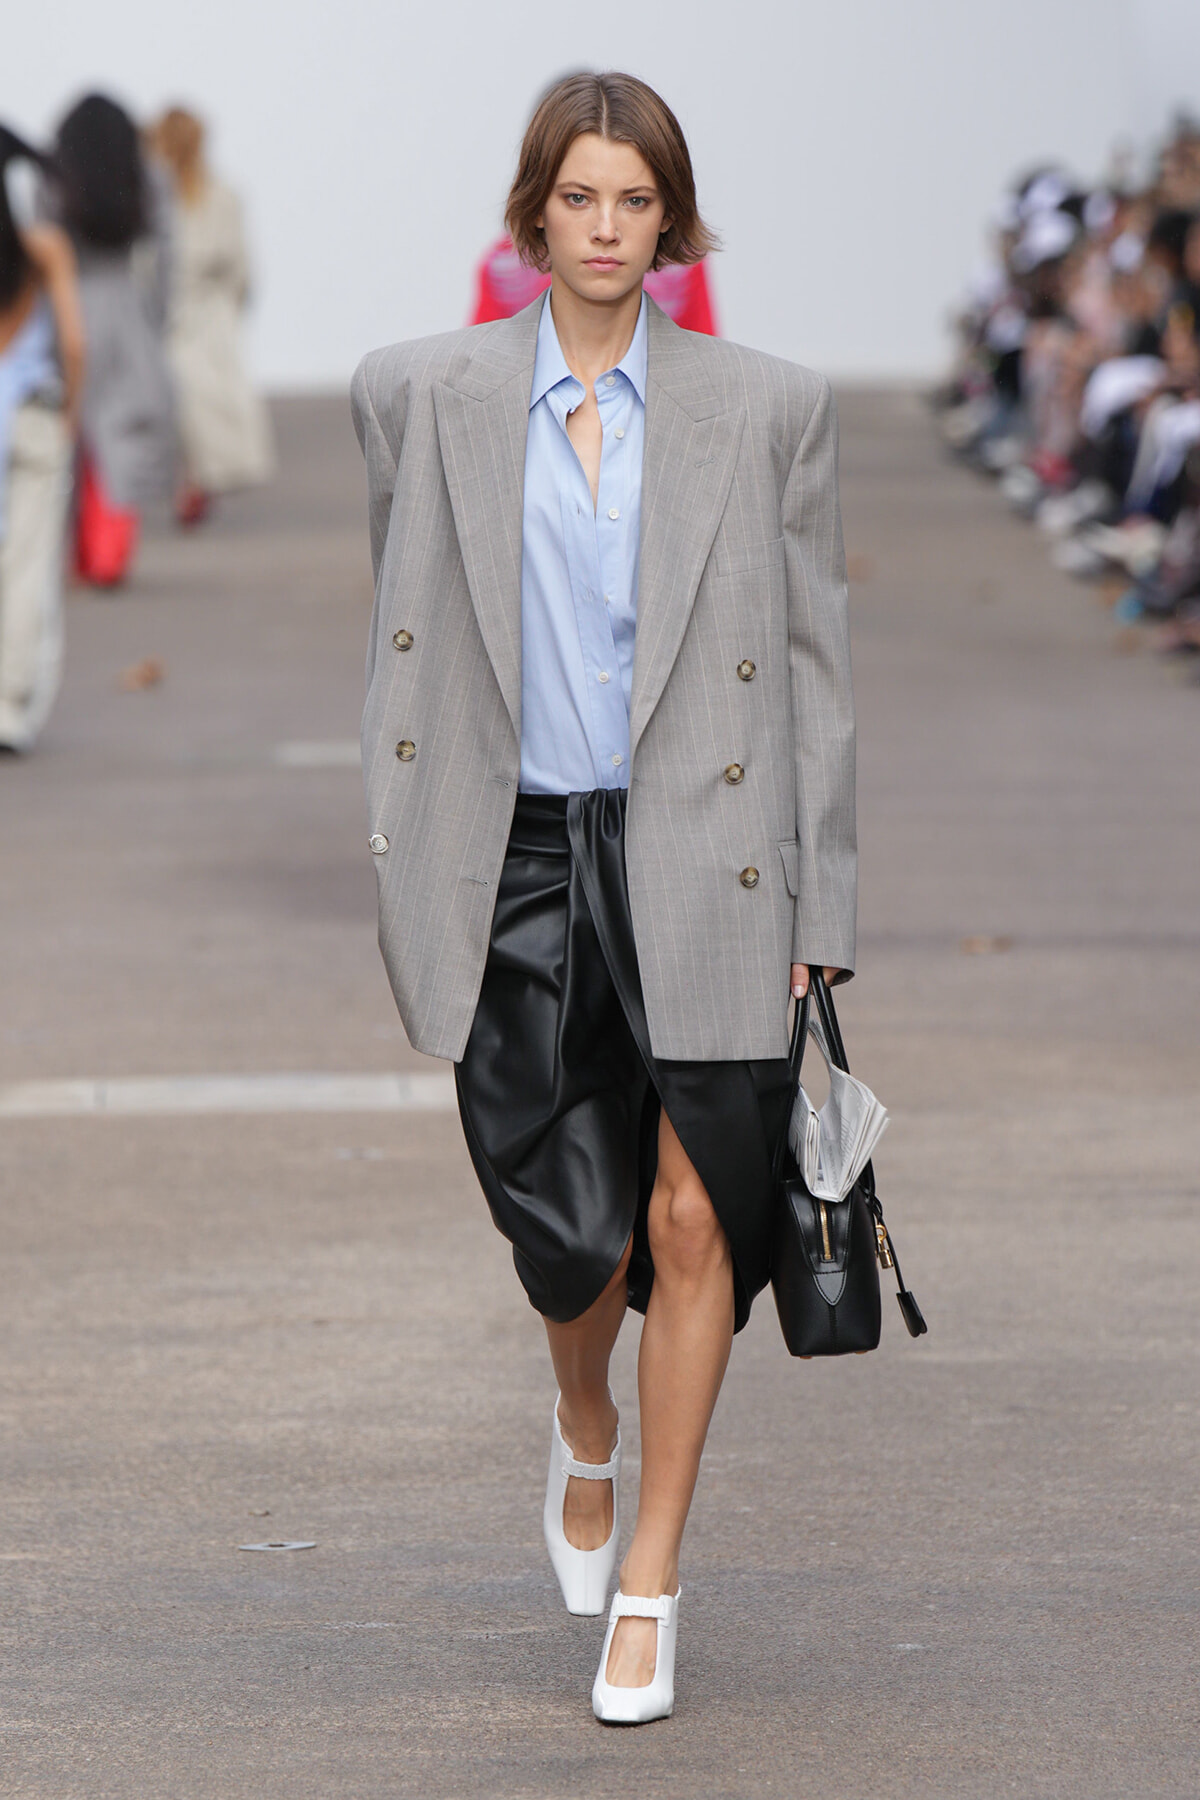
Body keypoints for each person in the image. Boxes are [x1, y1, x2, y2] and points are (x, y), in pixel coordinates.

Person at [351, 71, 853, 1723]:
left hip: (707, 854)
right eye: (582, 199)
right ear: (532, 214)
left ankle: (651, 1582)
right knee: (567, 1242)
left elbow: (813, 673)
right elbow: (413, 617)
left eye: (639, 202)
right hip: (520, 860)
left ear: (673, 221)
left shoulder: (767, 405)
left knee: (695, 1213)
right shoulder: (419, 395)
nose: (610, 230)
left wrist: (820, 914)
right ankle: (583, 1421)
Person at [51, 94, 175, 587]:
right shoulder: (147, 175)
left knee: (74, 433)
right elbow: (168, 253)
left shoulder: (56, 178)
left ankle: (80, 552)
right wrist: (157, 315)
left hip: (67, 309)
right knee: (122, 433)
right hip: (127, 309)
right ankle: (108, 552)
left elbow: (43, 244)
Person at [0, 127, 84, 752]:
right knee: (26, 567)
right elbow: (76, 343)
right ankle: (8, 706)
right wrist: (70, 412)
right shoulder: (44, 248)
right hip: (32, 414)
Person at [150, 107, 273, 525]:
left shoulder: (155, 196)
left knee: (185, 402)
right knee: (193, 402)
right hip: (205, 310)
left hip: (182, 309)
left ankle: (190, 483)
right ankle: (192, 482)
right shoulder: (219, 194)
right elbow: (241, 266)